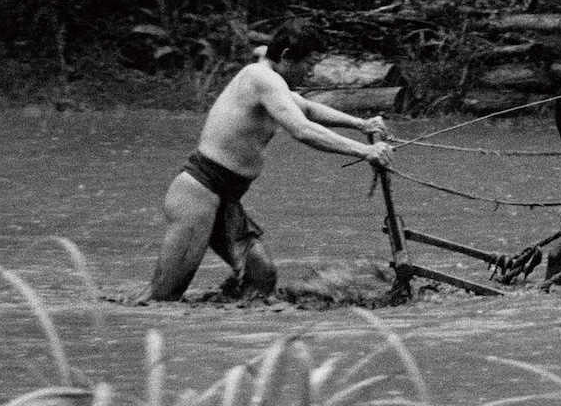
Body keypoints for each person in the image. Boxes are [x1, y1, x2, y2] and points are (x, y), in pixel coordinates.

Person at [137, 21, 393, 302]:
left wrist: (362, 124)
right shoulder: (261, 78)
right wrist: (364, 151)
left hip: (225, 198)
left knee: (261, 278)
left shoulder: (272, 82)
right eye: (307, 64)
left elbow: (306, 108)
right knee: (163, 298)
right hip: (199, 194)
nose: (309, 72)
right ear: (285, 57)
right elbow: (302, 129)